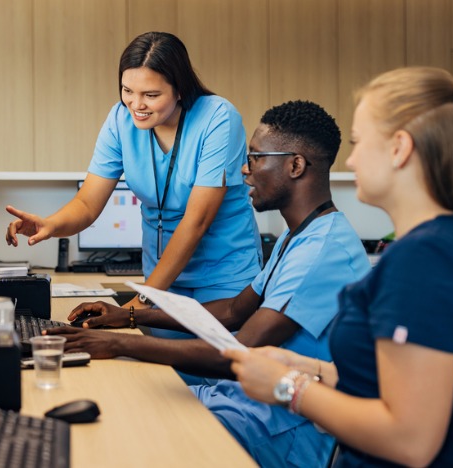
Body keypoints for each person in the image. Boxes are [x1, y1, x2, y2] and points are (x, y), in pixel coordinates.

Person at [223, 67, 453, 466]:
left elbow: (410, 439)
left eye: (359, 143)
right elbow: (398, 383)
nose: (352, 160)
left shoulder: (424, 262)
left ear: (400, 148)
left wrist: (290, 388)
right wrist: (306, 368)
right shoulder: (441, 245)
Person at [48, 100, 371, 466]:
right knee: (120, 403)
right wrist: (132, 318)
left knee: (121, 436)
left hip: (279, 429)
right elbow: (234, 311)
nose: (245, 171)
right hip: (243, 403)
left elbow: (239, 351)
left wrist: (115, 343)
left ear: (295, 165)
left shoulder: (323, 250)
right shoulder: (299, 235)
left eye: (257, 158)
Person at [4, 32, 261, 337]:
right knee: (159, 377)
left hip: (223, 278)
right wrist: (50, 224)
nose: (136, 104)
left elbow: (197, 222)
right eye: (127, 90)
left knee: (215, 375)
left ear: (180, 89)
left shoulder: (218, 118)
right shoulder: (120, 120)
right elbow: (88, 203)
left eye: (151, 95)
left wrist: (138, 303)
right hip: (160, 281)